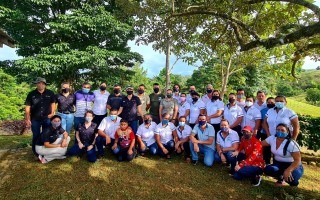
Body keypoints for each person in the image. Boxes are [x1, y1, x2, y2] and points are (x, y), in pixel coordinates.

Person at [25, 77, 56, 156]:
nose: (41, 85)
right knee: (36, 135)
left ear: (45, 85)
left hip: (47, 118)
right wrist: (27, 119)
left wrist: (52, 113)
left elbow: (53, 103)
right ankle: (36, 153)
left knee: (46, 135)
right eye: (39, 83)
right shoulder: (31, 94)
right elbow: (27, 107)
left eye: (43, 83)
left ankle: (45, 151)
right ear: (36, 84)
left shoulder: (50, 93)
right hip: (35, 119)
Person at [259, 97, 275, 164]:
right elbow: (262, 122)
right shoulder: (263, 111)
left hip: (275, 133)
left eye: (272, 102)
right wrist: (267, 131)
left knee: (275, 149)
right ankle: (266, 162)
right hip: (265, 132)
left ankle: (275, 163)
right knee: (266, 149)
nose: (270, 104)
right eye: (268, 102)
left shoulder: (276, 111)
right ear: (266, 103)